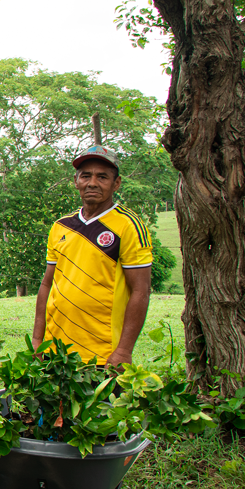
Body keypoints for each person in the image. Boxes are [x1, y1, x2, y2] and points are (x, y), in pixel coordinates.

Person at [34, 145, 152, 367]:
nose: (92, 183)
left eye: (102, 177)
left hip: (103, 355)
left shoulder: (128, 225)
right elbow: (47, 285)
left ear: (116, 183)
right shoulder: (61, 226)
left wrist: (124, 351)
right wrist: (38, 341)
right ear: (76, 181)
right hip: (55, 353)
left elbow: (140, 291)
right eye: (86, 176)